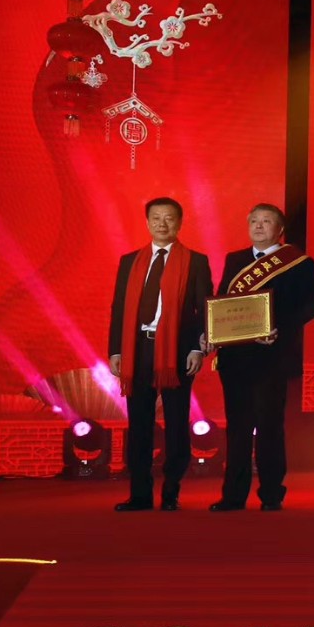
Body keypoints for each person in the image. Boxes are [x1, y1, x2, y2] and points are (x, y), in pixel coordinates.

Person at [207, 203, 314, 511]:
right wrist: (214, 332)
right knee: (238, 428)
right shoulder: (235, 260)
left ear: (279, 229)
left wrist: (278, 327)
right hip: (235, 358)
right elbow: (223, 302)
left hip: (273, 357)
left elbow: (311, 304)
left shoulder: (297, 262)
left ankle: (271, 493)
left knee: (269, 426)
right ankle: (233, 495)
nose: (259, 226)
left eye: (266, 221)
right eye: (254, 221)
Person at [107, 197, 212, 511]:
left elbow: (204, 307)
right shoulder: (130, 261)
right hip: (138, 348)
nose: (162, 224)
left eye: (169, 218)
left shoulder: (195, 261)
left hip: (177, 351)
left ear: (179, 223)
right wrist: (115, 350)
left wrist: (196, 348)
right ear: (147, 222)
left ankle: (171, 491)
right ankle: (140, 494)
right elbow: (119, 309)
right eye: (156, 218)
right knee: (139, 424)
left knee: (177, 423)